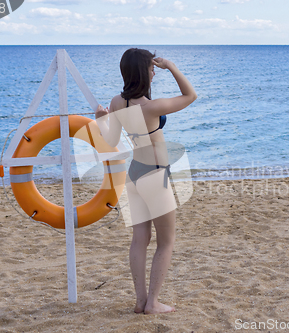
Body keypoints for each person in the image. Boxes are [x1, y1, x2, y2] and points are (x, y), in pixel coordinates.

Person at [95, 48, 197, 314]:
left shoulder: (117, 102)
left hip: (135, 174)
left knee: (140, 239)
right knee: (166, 241)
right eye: (151, 68)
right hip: (154, 175)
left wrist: (101, 120)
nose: (155, 72)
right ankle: (152, 303)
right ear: (143, 72)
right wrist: (172, 66)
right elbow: (191, 95)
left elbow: (112, 141)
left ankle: (140, 301)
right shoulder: (152, 107)